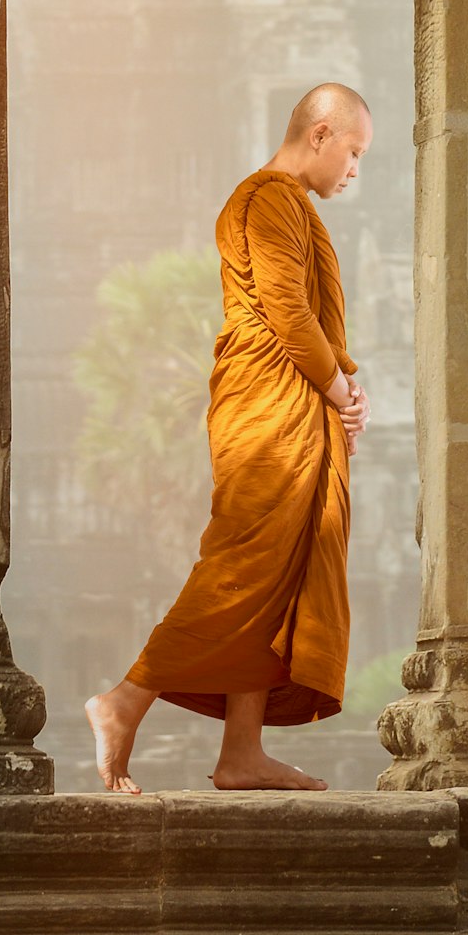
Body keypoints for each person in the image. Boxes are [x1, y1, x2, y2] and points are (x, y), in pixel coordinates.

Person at [84, 82, 373, 792]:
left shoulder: (292, 206)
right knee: (243, 562)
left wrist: (342, 393)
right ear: (320, 131)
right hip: (268, 410)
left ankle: (241, 752)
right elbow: (287, 314)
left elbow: (310, 327)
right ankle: (125, 699)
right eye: (354, 150)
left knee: (276, 571)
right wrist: (338, 389)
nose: (355, 168)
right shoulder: (265, 198)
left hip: (293, 401)